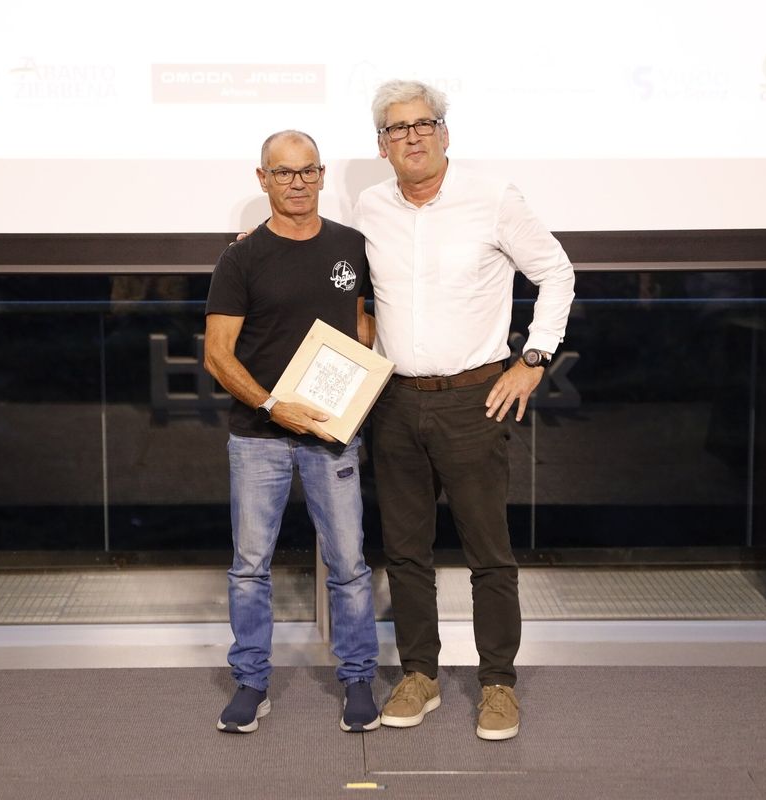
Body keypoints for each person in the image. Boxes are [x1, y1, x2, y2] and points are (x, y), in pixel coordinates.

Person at [352, 80, 577, 741]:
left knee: (488, 553)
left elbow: (556, 272)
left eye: (423, 124)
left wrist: (533, 359)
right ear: (382, 145)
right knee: (405, 552)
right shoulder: (369, 206)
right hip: (394, 401)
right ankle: (419, 674)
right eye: (397, 129)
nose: (412, 136)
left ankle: (498, 683)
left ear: (444, 133)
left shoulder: (492, 197)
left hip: (474, 401)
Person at [204, 130, 381, 734]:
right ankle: (251, 682)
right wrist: (273, 405)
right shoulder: (241, 258)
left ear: (322, 174)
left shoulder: (352, 245)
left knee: (349, 563)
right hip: (259, 437)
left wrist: (354, 372)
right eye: (283, 173)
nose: (297, 182)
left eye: (307, 171)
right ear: (263, 179)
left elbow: (363, 322)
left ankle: (357, 678)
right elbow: (218, 354)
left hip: (332, 433)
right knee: (250, 566)